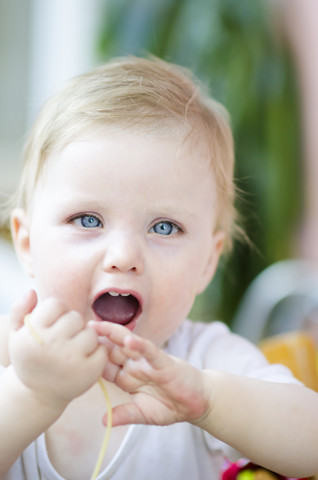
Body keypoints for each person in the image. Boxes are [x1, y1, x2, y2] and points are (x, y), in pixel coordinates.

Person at [0, 56, 317, 480]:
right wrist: (31, 393)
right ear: (26, 242)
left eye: (164, 227)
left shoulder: (203, 362)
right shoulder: (9, 354)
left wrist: (208, 402)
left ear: (207, 261)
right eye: (88, 220)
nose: (124, 255)